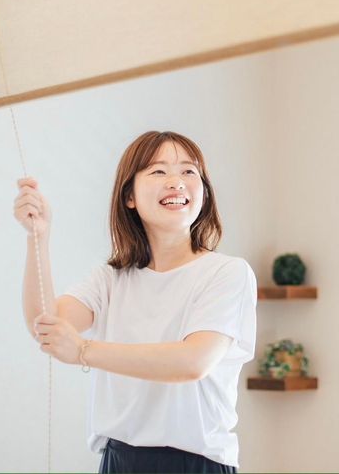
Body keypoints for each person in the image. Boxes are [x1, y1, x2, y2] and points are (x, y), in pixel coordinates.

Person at [13, 131, 257, 473]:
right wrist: (38, 238)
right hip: (118, 460)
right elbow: (48, 326)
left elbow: (193, 361)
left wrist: (83, 350)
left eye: (189, 171)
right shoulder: (111, 279)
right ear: (129, 196)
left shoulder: (227, 273)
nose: (176, 181)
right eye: (158, 171)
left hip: (196, 464)